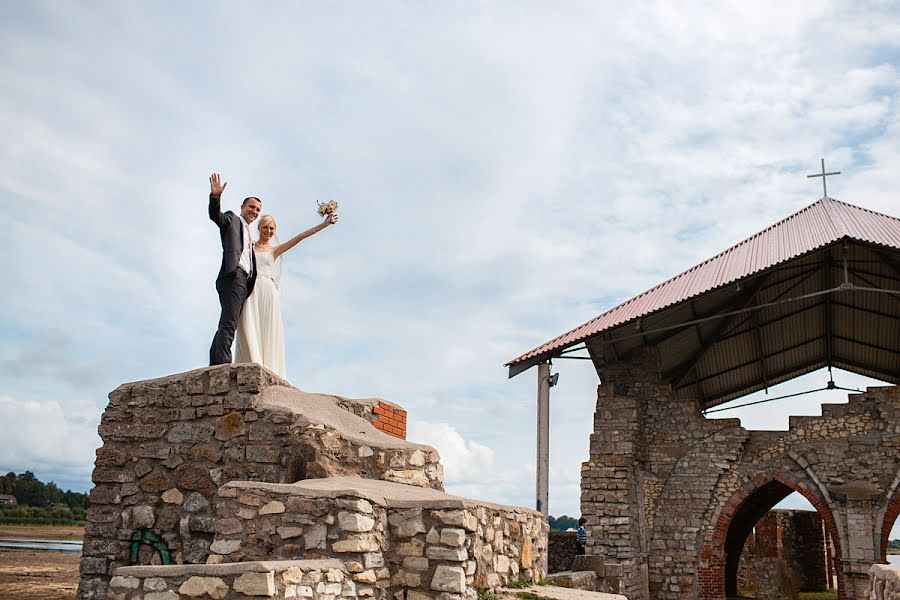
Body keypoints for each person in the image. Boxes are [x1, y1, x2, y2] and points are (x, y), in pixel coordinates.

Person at [234, 211, 338, 378]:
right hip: (251, 290)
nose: (269, 231)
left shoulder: (275, 250)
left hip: (268, 291)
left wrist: (324, 225)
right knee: (248, 325)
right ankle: (252, 364)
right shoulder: (249, 246)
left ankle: (268, 370)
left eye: (272, 228)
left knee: (267, 328)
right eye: (266, 227)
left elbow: (301, 237)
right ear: (259, 228)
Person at [207, 172, 261, 366]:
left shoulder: (249, 234)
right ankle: (223, 365)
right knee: (230, 324)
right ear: (242, 207)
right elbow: (216, 216)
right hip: (233, 275)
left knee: (227, 322)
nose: (254, 211)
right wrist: (215, 197)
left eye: (257, 209)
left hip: (244, 281)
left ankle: (215, 362)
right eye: (251, 207)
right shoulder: (232, 219)